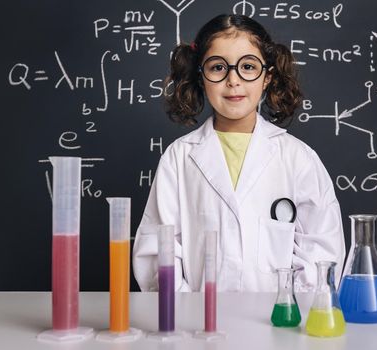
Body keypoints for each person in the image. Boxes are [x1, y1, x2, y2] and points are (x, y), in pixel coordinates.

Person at [133, 14, 345, 292]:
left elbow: (322, 252)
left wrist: (289, 309)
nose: (233, 80)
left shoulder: (299, 159)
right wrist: (187, 309)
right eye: (218, 67)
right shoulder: (179, 158)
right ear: (201, 76)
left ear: (267, 77)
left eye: (248, 66)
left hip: (279, 325)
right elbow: (158, 252)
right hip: (197, 324)